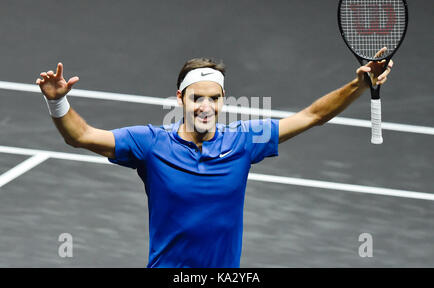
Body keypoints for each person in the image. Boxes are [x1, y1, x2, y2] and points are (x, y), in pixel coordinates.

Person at [36, 48, 392, 267]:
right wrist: (57, 100)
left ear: (223, 100)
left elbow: (312, 115)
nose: (206, 107)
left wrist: (359, 84)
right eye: (197, 98)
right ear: (181, 99)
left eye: (214, 98)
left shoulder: (243, 142)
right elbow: (80, 137)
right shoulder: (150, 144)